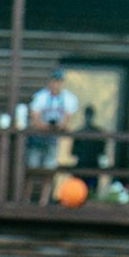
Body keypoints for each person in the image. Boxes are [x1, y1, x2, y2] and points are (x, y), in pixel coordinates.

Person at [26, 71, 76, 199]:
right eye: (54, 81)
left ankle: (44, 200)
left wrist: (57, 126)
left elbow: (67, 120)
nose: (56, 85)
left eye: (59, 82)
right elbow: (35, 119)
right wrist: (47, 127)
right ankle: (26, 199)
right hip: (37, 138)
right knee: (32, 169)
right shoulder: (41, 97)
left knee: (49, 171)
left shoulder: (68, 99)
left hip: (53, 140)